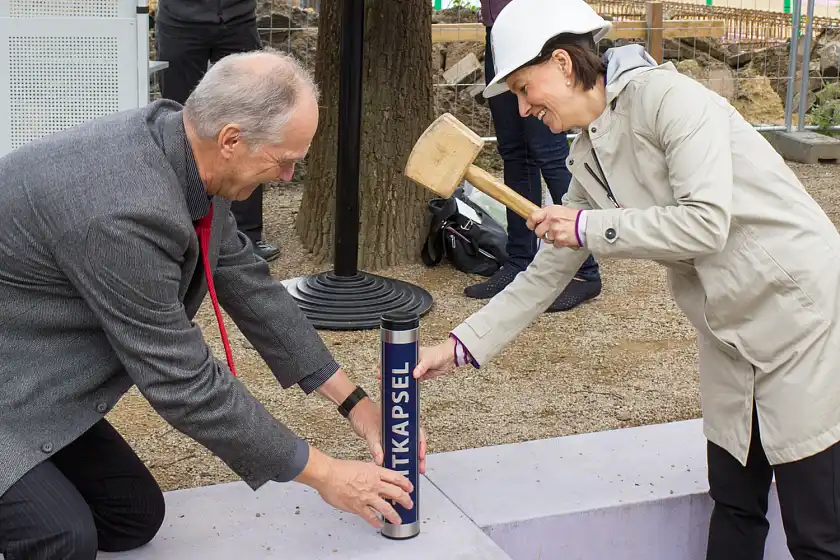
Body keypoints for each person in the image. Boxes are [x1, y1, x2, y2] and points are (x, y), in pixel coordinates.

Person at [413, 0, 840, 558]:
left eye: (523, 87)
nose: (521, 108)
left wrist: (588, 225)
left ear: (564, 64)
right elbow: (548, 271)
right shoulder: (589, 153)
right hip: (729, 329)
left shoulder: (672, 100)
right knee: (735, 502)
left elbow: (704, 223)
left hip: (796, 315)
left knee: (816, 530)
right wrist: (463, 344)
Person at [0, 48, 425, 560]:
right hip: (10, 383)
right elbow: (182, 381)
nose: (288, 176)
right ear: (231, 139)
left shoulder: (183, 150)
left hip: (27, 374)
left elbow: (248, 284)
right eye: (285, 160)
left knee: (130, 516)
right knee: (61, 538)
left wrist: (355, 404)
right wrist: (326, 473)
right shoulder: (121, 212)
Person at [466, 0, 602, 311]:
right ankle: (519, 260)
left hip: (540, 32)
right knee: (514, 152)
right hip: (499, 31)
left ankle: (585, 271)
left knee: (550, 152)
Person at [154, 0, 280, 262]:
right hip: (180, 20)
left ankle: (246, 237)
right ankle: (180, 235)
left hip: (238, 19)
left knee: (251, 122)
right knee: (178, 122)